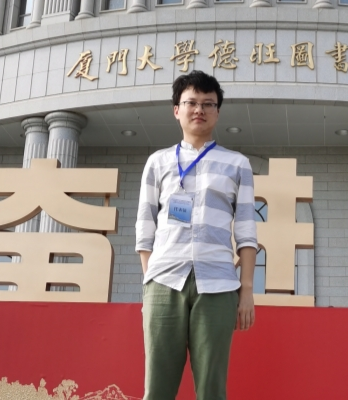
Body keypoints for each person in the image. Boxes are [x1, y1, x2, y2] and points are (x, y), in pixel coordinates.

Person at [135, 70, 258, 400]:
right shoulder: (158, 162)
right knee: (157, 389)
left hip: (218, 284)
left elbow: (246, 231)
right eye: (191, 102)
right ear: (177, 110)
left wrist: (246, 290)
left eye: (208, 103)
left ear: (218, 112)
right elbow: (145, 227)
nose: (199, 109)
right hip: (164, 281)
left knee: (212, 389)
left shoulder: (237, 164)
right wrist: (150, 281)